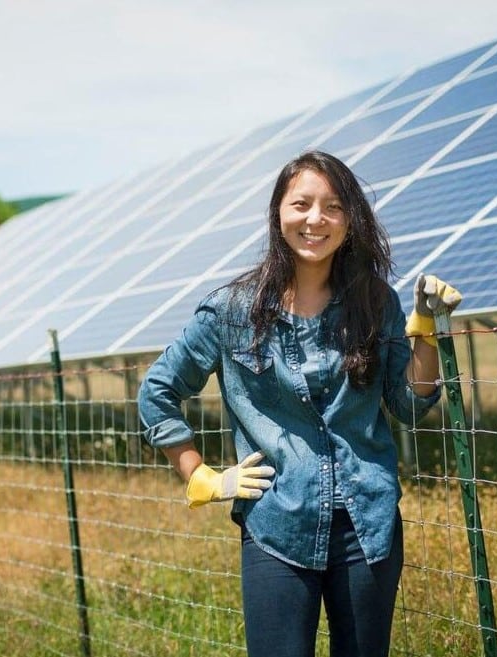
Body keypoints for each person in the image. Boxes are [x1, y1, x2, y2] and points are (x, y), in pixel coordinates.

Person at [137, 150, 462, 657]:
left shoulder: (377, 302)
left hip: (367, 526)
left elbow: (409, 404)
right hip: (276, 524)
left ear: (350, 220)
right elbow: (157, 391)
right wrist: (201, 476)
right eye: (302, 204)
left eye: (333, 207)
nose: (316, 219)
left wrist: (426, 330)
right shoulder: (230, 311)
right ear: (278, 214)